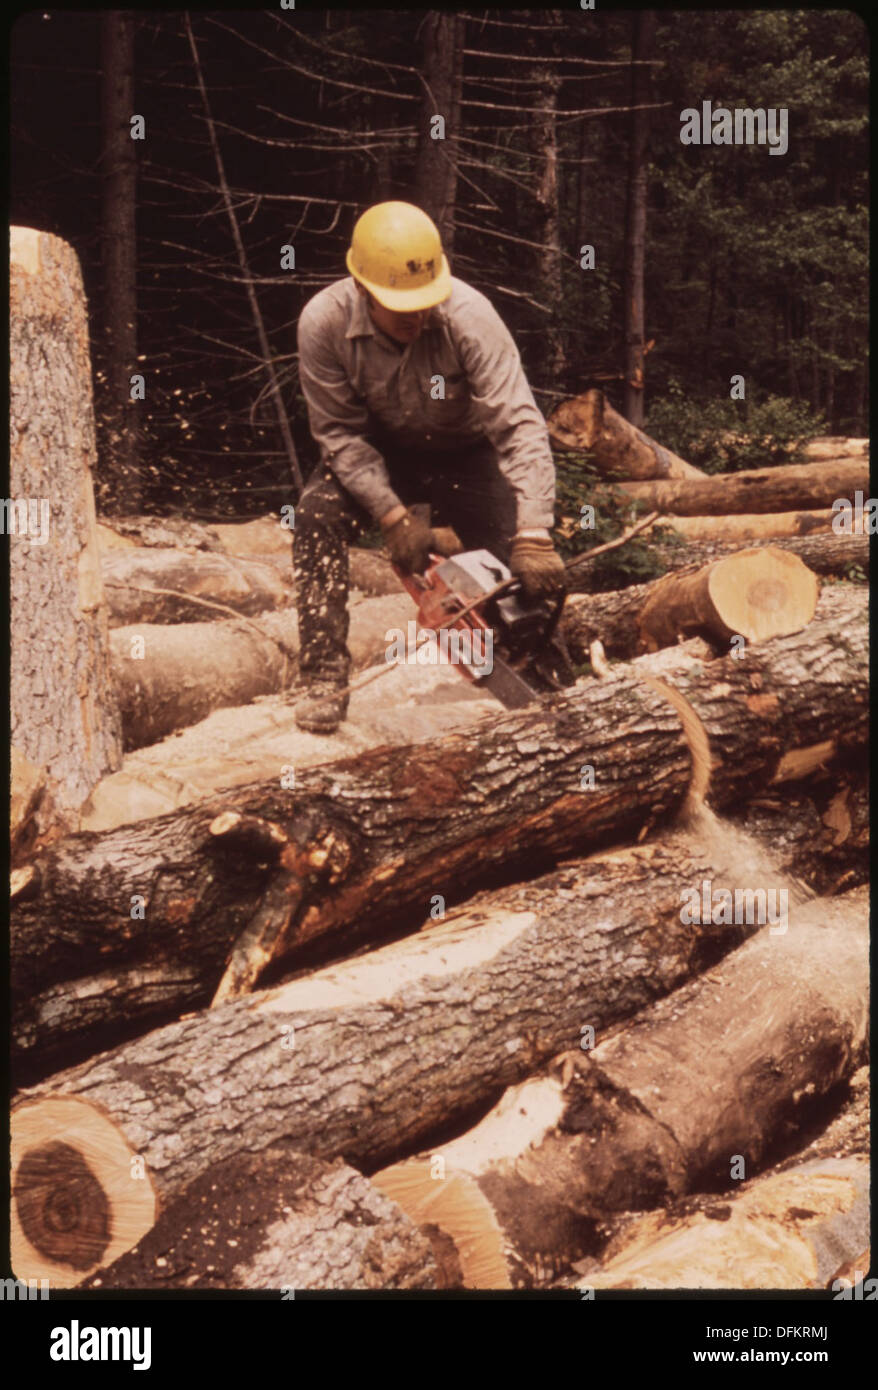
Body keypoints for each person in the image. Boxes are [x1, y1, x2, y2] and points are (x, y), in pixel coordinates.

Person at [292, 200, 566, 733]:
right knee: (315, 515)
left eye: (425, 304)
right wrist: (392, 515)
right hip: (377, 453)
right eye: (403, 308)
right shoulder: (322, 324)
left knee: (517, 568)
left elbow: (518, 423)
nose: (418, 317)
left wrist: (534, 532)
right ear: (364, 291)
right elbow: (338, 434)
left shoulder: (469, 317)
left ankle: (549, 680)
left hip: (465, 450)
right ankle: (324, 676)